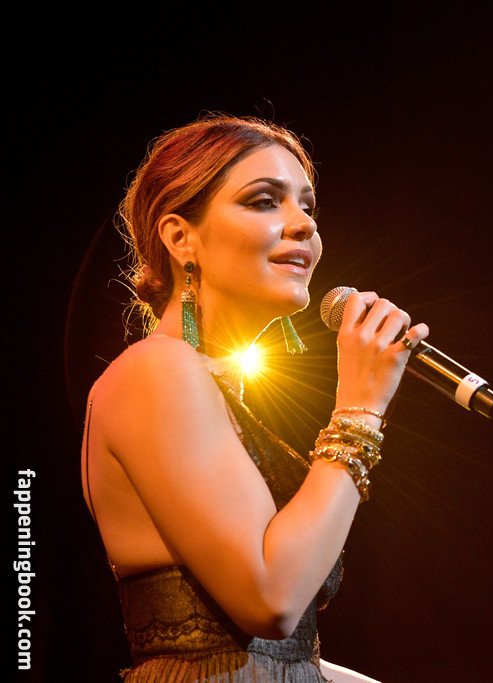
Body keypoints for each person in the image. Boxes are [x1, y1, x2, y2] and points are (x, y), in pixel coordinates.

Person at [79, 112, 428, 681]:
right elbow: (272, 599)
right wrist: (360, 408)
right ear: (180, 237)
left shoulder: (210, 386)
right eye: (265, 201)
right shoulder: (155, 371)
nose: (303, 225)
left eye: (308, 207)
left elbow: (277, 656)